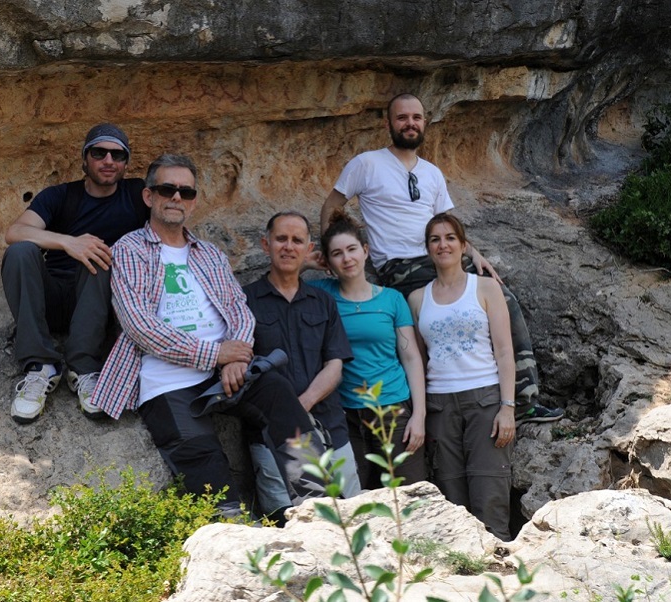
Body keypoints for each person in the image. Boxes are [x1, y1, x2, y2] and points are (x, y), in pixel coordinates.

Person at [90, 154, 325, 518]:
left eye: (186, 191)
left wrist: (238, 356)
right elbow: (140, 326)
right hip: (166, 379)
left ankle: (318, 505)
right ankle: (233, 536)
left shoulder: (209, 254)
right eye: (167, 189)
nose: (176, 198)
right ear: (149, 196)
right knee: (203, 463)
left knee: (279, 396)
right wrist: (215, 355)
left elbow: (239, 311)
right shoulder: (129, 249)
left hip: (227, 367)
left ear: (194, 200)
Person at [320, 92, 563, 427]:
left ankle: (523, 401)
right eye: (402, 117)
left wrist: (473, 253)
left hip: (440, 257)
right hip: (402, 266)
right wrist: (333, 249)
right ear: (389, 123)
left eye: (416, 118)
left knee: (504, 300)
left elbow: (446, 224)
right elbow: (331, 206)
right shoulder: (367, 164)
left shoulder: (431, 172)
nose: (410, 124)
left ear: (425, 123)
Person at [2, 123, 148, 424]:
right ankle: (40, 366)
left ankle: (84, 367)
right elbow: (15, 232)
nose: (109, 161)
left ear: (125, 163)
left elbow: (170, 211)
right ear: (85, 159)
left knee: (102, 254)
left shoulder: (136, 195)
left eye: (118, 155)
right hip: (52, 298)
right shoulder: (60, 196)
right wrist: (69, 242)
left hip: (99, 303)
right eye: (99, 153)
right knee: (20, 251)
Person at [243, 211, 361, 519]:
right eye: (281, 238)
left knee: (351, 519)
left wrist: (301, 405)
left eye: (297, 240)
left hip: (330, 430)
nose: (288, 246)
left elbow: (335, 364)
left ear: (309, 250)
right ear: (265, 244)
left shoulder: (323, 302)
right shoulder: (244, 301)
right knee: (290, 527)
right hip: (272, 439)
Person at [408, 214, 516, 541]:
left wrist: (507, 407)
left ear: (464, 246)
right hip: (440, 407)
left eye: (450, 238)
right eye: (435, 239)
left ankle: (500, 571)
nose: (443, 244)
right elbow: (419, 359)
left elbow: (504, 350)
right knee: (451, 496)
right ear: (428, 249)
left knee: (490, 491)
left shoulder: (484, 288)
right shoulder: (417, 299)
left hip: (485, 401)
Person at [309, 208, 427, 490]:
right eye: (337, 253)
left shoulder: (392, 299)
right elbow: (283, 278)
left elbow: (411, 358)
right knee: (356, 500)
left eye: (352, 249)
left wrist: (419, 416)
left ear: (365, 251)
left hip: (394, 409)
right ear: (328, 261)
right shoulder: (321, 295)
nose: (347, 258)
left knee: (408, 496)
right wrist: (307, 264)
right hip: (346, 415)